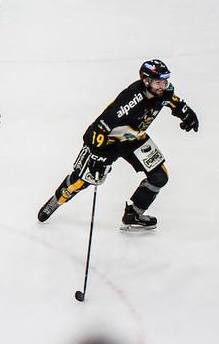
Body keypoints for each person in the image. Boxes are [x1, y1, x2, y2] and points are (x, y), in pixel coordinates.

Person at [37, 60, 199, 229]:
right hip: (109, 143)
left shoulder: (163, 93)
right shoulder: (132, 99)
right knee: (82, 180)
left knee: (160, 176)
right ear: (145, 81)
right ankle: (55, 201)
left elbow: (174, 102)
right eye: (158, 82)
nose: (162, 86)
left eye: (164, 81)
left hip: (135, 139)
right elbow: (100, 127)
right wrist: (96, 154)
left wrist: (186, 113)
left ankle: (133, 214)